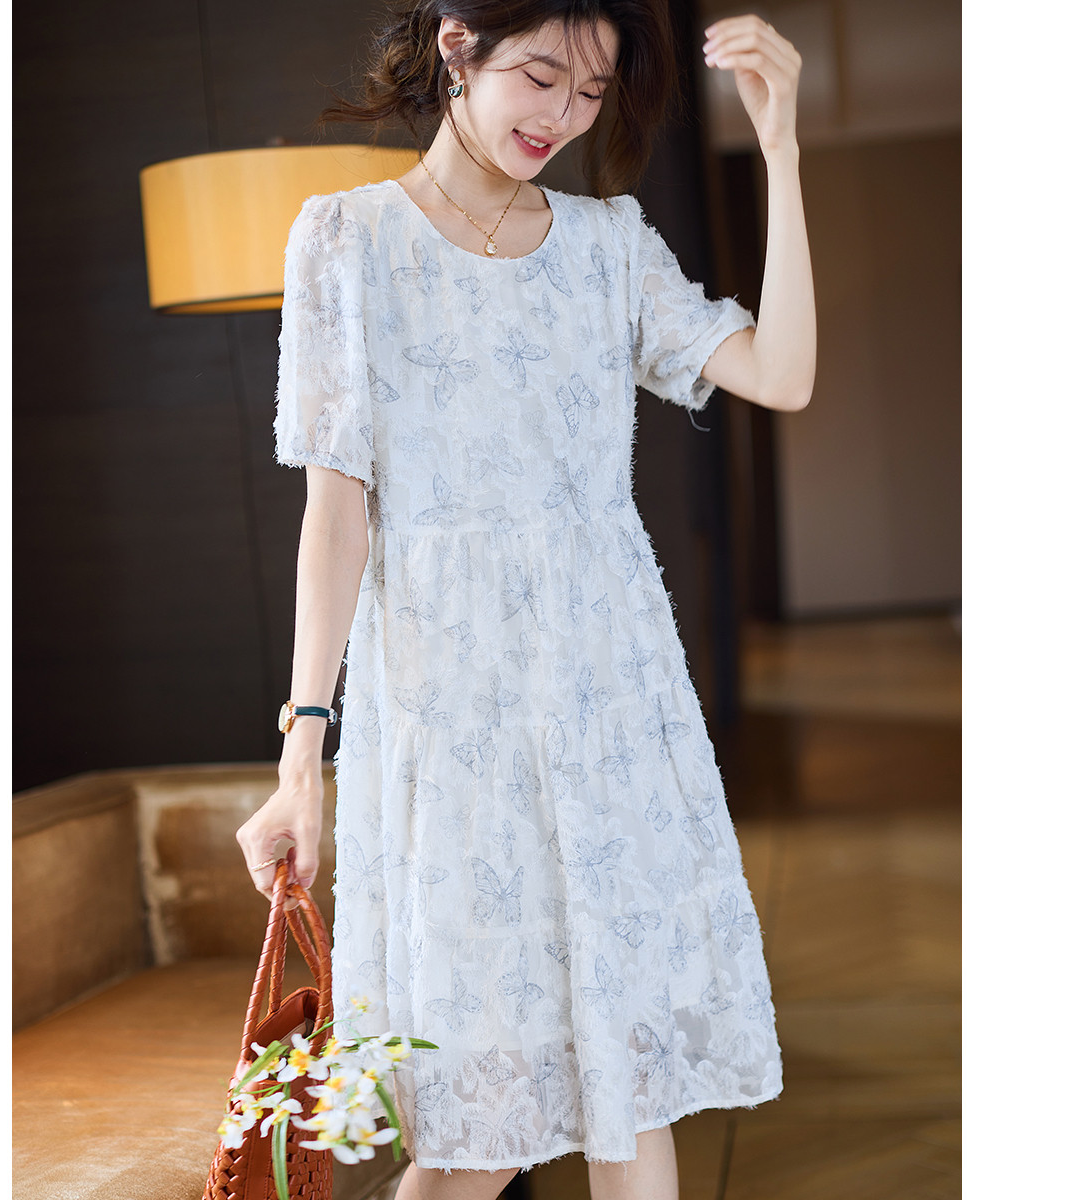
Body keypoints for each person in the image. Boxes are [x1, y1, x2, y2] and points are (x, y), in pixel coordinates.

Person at [237, 1, 814, 1196]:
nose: (565, 116)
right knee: (475, 1139)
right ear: (459, 45)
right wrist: (304, 754)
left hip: (609, 711)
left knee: (630, 1102)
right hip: (450, 724)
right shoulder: (348, 240)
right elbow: (336, 516)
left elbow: (784, 373)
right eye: (543, 77)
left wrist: (782, 147)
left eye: (593, 93)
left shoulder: (609, 245)